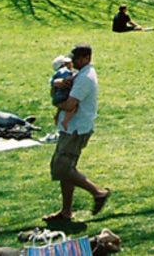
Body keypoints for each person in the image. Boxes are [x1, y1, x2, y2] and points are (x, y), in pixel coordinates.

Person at [44, 45, 110, 224]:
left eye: (77, 59)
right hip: (70, 128)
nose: (73, 62)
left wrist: (56, 103)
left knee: (62, 168)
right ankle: (66, 212)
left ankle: (98, 192)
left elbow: (70, 105)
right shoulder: (80, 74)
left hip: (76, 129)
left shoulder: (86, 78)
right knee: (66, 169)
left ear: (87, 57)